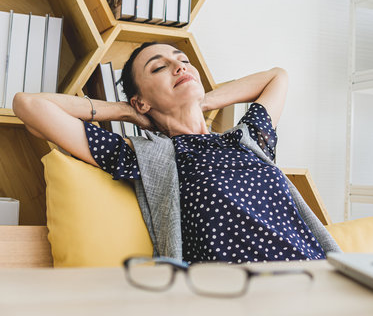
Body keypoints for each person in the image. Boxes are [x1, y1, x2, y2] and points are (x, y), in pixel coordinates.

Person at [13, 42, 337, 264]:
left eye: (183, 60)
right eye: (159, 68)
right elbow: (29, 106)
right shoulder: (148, 157)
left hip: (315, 276)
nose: (179, 66)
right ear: (142, 101)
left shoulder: (247, 139)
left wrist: (202, 100)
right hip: (238, 292)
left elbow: (277, 76)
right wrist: (126, 111)